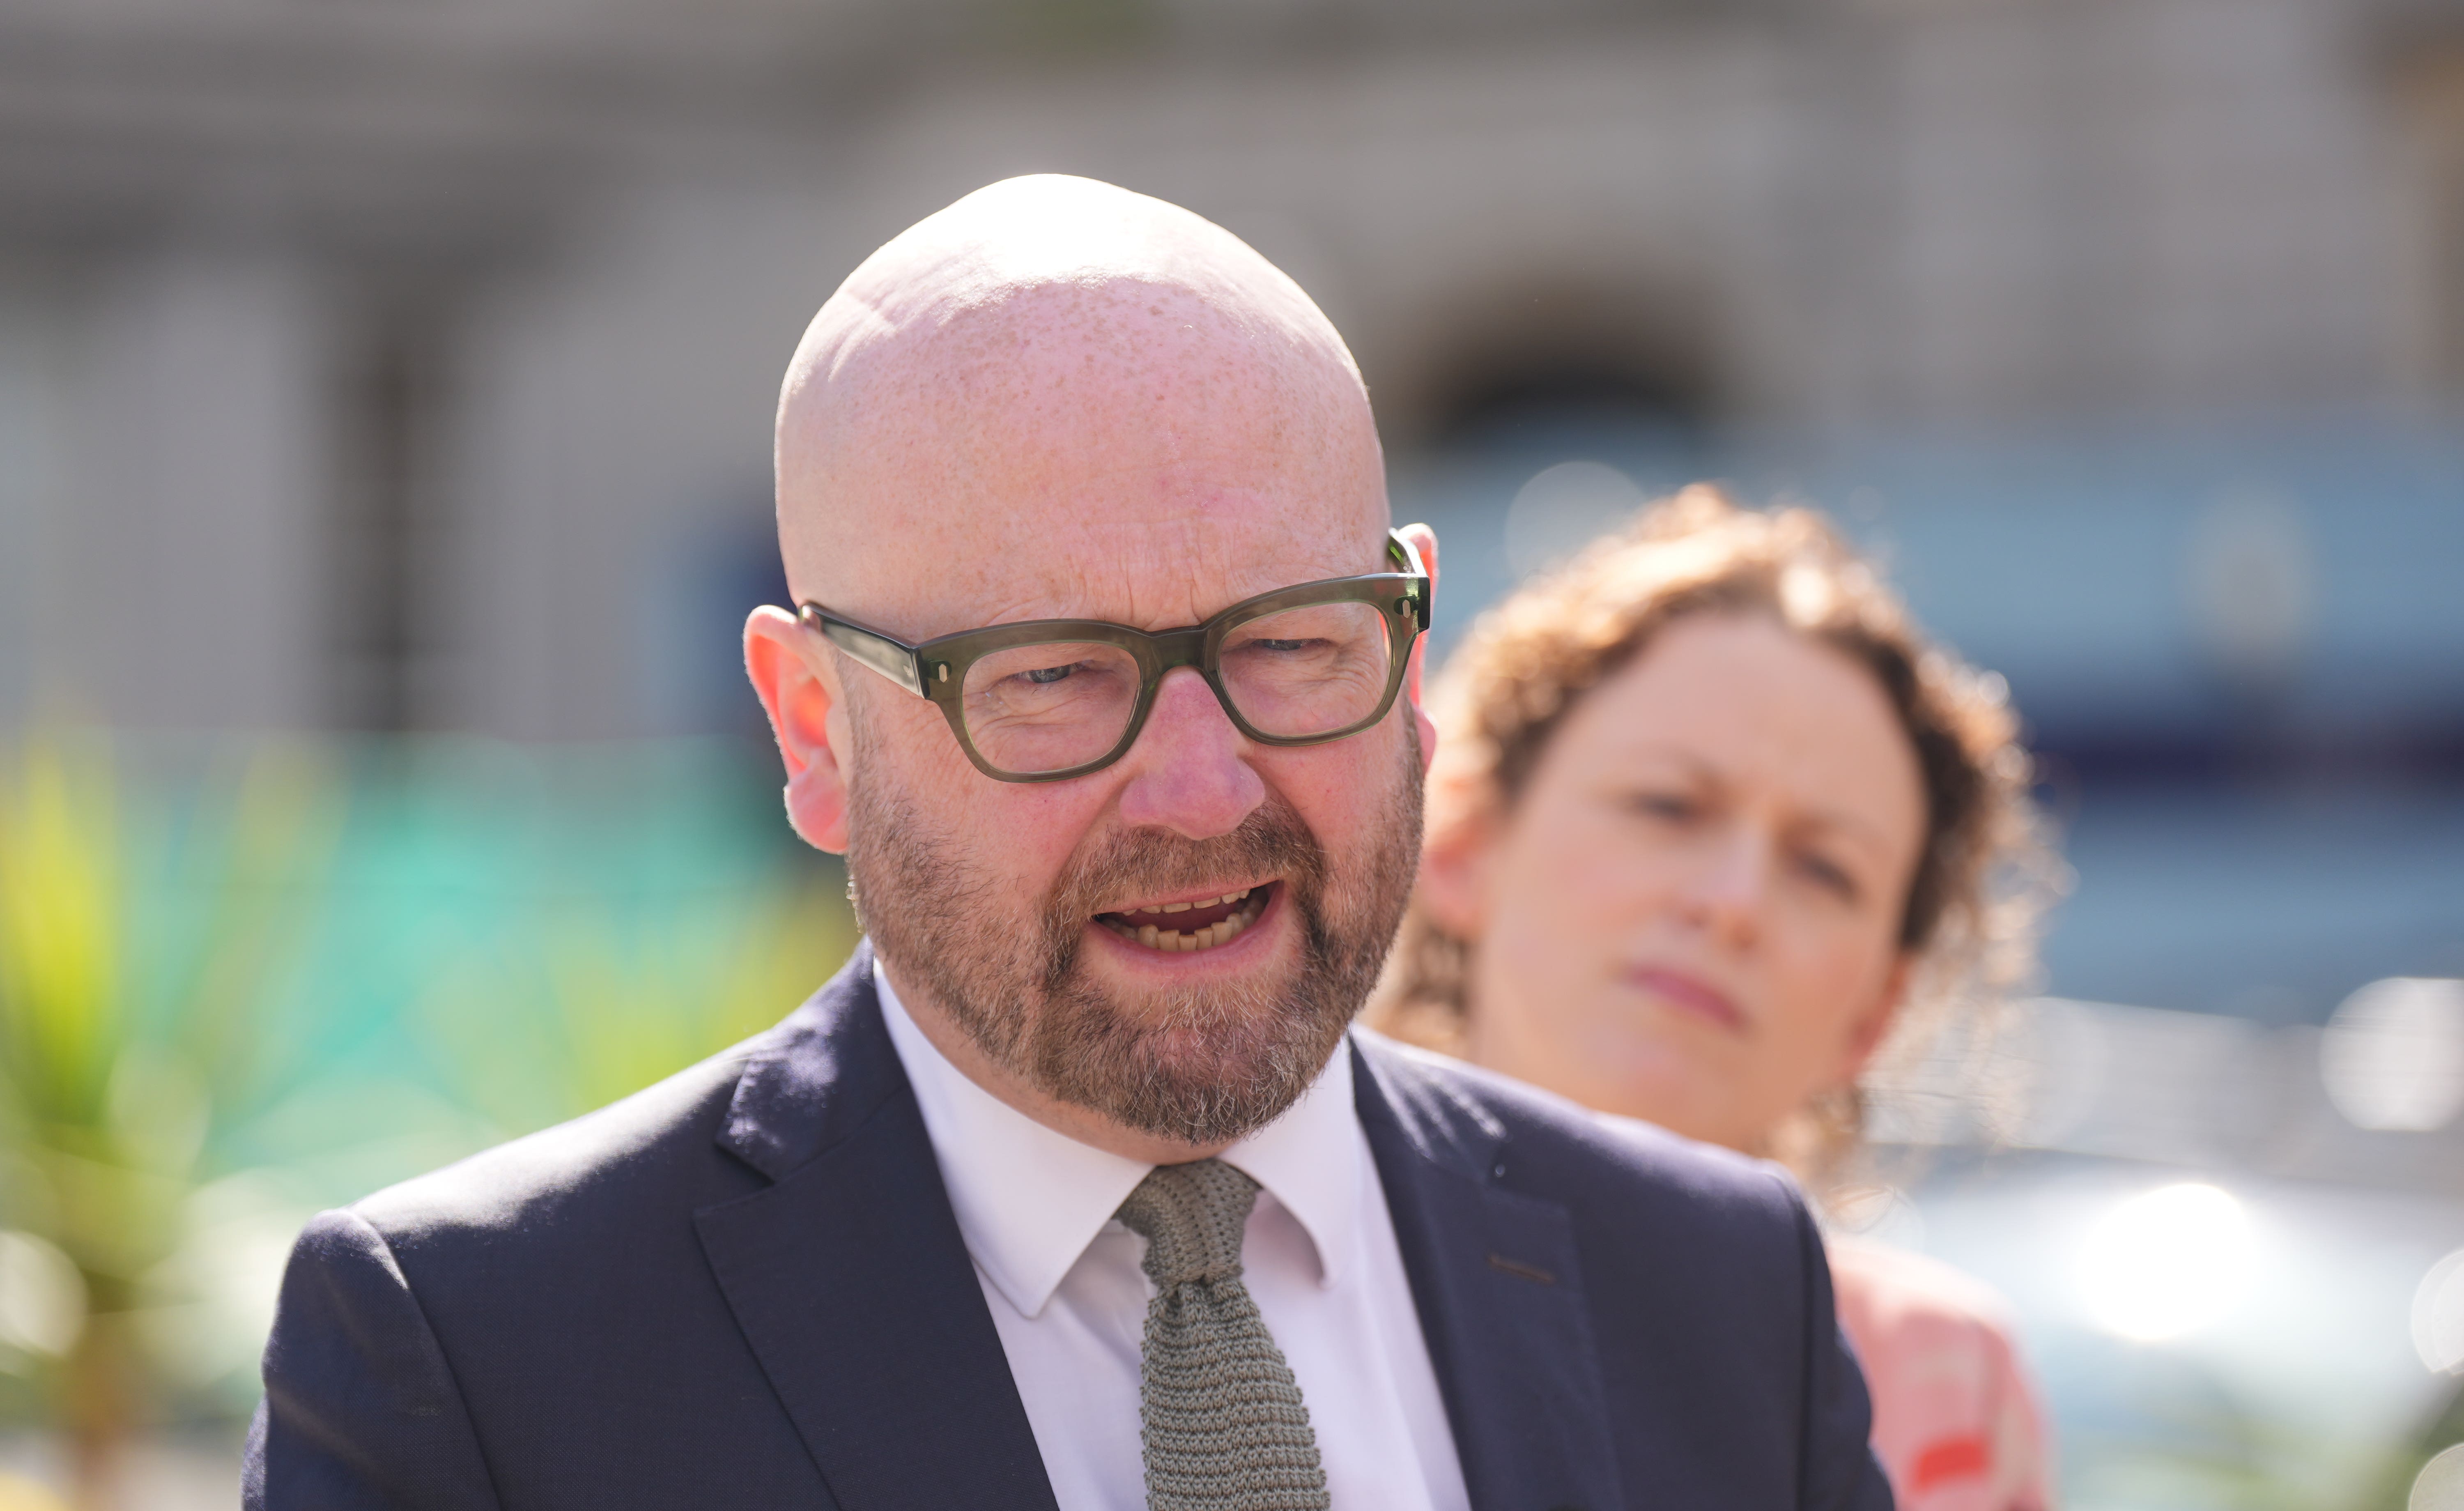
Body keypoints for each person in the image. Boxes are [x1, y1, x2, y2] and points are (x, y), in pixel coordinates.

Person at [246, 178, 1892, 1510]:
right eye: (1050, 677)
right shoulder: (482, 1370)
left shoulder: (1721, 1302)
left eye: (1293, 644)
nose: (1199, 787)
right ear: (814, 728)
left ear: (1410, 640)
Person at [1370, 486, 2058, 1511]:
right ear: (1463, 838)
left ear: (1874, 1012)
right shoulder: (1241, 1277)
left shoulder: (1940, 1384)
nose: (1735, 902)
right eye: (1668, 805)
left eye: (1825, 869)